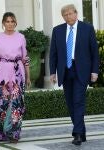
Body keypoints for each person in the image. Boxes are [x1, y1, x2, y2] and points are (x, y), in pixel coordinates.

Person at [49, 4, 99, 145]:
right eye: (65, 15)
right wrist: (53, 72)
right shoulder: (57, 30)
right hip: (65, 71)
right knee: (71, 103)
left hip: (82, 71)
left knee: (78, 101)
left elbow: (94, 52)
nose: (68, 16)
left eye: (71, 13)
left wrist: (94, 71)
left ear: (76, 13)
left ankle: (76, 133)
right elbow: (53, 54)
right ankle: (81, 132)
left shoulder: (87, 28)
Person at [0, 12, 31, 143]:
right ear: (3, 23)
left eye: (12, 21)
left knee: (17, 104)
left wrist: (28, 77)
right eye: (7, 21)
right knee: (0, 103)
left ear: (15, 23)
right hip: (2, 72)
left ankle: (14, 134)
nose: (10, 24)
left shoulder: (21, 37)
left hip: (18, 73)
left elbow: (25, 59)